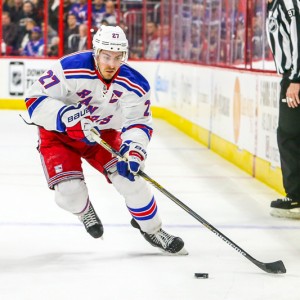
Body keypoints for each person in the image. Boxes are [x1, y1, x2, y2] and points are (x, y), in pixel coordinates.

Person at [24, 25, 187, 255]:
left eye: (118, 57)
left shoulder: (135, 84)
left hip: (103, 135)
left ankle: (153, 230)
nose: (111, 63)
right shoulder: (69, 68)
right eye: (106, 55)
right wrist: (64, 115)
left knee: (131, 181)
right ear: (96, 52)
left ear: (125, 56)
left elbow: (138, 122)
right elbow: (34, 99)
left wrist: (134, 151)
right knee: (70, 192)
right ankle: (84, 210)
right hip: (58, 136)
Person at [266, 0, 300, 219]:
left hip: (294, 78)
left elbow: (299, 36)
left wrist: (297, 78)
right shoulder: (274, 4)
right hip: (290, 77)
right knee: (289, 135)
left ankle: (296, 196)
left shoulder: (288, 2)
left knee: (288, 135)